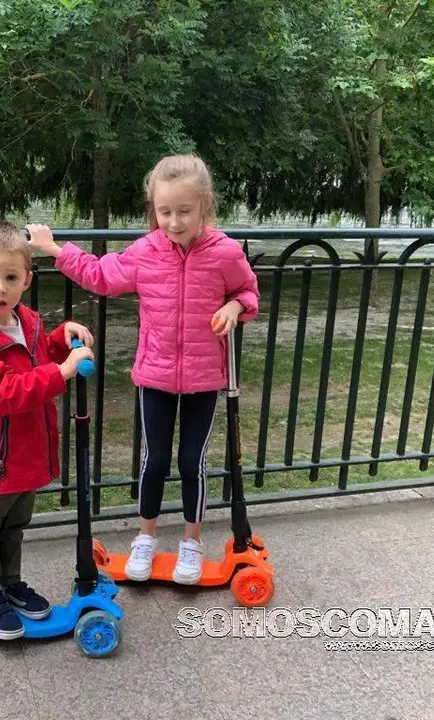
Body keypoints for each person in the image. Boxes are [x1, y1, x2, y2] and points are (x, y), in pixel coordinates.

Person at [26, 153, 259, 585]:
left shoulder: (225, 252)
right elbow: (100, 275)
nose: (173, 221)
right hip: (154, 375)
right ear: (153, 207)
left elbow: (249, 292)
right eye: (164, 211)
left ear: (205, 205)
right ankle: (146, 537)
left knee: (193, 462)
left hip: (206, 379)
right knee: (153, 461)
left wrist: (233, 305)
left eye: (184, 211)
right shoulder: (146, 251)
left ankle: (192, 542)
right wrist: (55, 249)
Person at [0, 220, 95, 639]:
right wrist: (62, 374)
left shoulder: (24, 321)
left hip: (22, 456)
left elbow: (38, 353)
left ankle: (10, 585)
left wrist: (62, 338)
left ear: (26, 280)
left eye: (10, 278)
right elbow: (6, 391)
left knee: (14, 527)